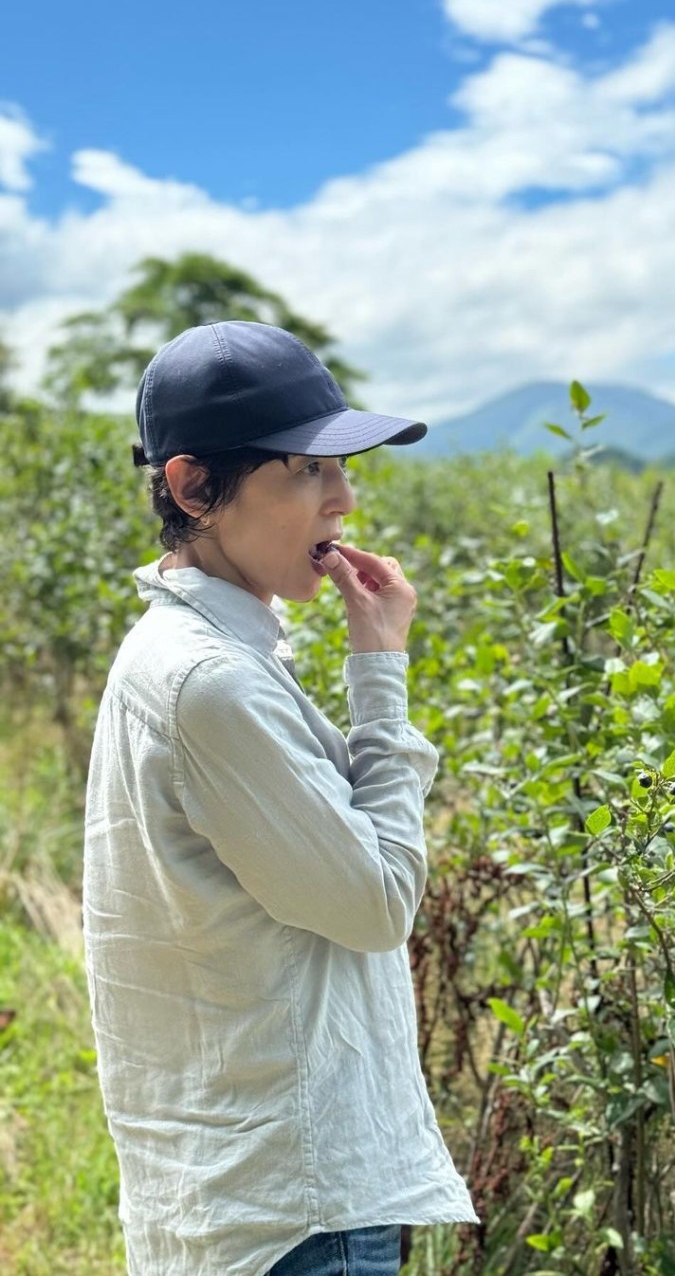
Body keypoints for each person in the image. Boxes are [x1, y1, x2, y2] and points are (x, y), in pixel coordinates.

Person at [83, 321, 476, 1276]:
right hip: (294, 1215)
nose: (343, 497)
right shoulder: (210, 681)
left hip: (244, 1199)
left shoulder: (189, 656)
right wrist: (380, 672)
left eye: (340, 466)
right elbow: (377, 905)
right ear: (191, 488)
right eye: (303, 469)